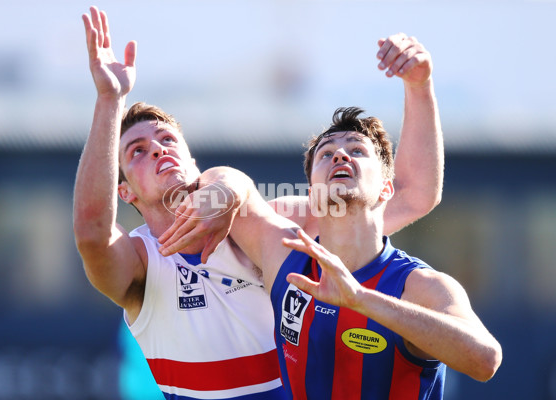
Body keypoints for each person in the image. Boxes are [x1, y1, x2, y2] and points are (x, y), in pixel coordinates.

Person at [75, 6, 443, 400]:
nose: (158, 150)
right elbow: (92, 232)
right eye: (137, 151)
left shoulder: (266, 225)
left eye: (167, 140)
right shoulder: (141, 263)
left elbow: (411, 195)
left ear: (192, 160)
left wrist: (419, 85)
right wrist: (110, 99)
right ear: (126, 191)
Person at [221, 107, 502, 399]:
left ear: (386, 189)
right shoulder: (285, 257)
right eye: (326, 154)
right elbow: (219, 183)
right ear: (311, 194)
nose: (340, 156)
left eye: (357, 150)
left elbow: (485, 361)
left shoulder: (419, 285)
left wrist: (361, 299)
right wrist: (223, 183)